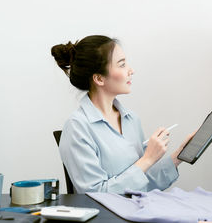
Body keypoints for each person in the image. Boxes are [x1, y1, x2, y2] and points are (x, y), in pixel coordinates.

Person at [51, 35, 194, 194]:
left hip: (139, 209)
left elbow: (143, 184)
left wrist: (178, 157)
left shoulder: (131, 119)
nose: (131, 70)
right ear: (99, 78)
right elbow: (95, 195)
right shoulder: (77, 128)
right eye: (122, 64)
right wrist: (147, 159)